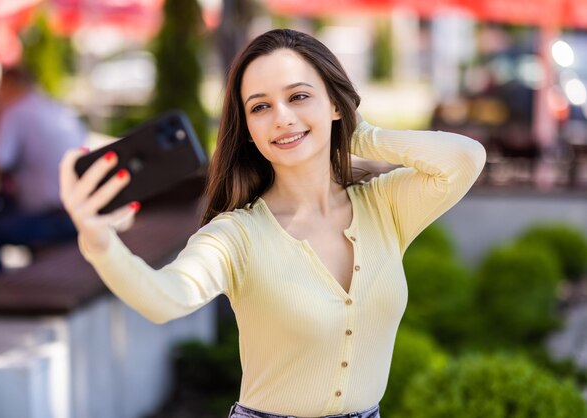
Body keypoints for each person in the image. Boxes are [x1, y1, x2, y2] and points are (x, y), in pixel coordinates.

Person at [59, 29, 486, 418]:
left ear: (335, 102)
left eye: (299, 97)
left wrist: (360, 134)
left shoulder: (385, 206)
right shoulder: (235, 236)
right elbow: (166, 298)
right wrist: (100, 242)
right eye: (261, 107)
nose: (281, 117)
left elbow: (465, 159)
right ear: (247, 130)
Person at [0, 67, 86, 280]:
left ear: (9, 86)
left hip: (50, 217)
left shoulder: (16, 113)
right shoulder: (55, 107)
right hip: (76, 212)